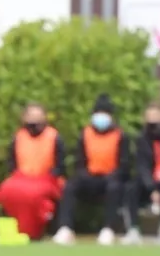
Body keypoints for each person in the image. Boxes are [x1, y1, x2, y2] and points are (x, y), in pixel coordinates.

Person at [52, 95, 131, 245]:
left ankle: (108, 229)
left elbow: (125, 164)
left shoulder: (120, 135)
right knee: (70, 186)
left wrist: (114, 175)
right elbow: (79, 161)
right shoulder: (85, 134)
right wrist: (83, 174)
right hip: (89, 177)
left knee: (114, 188)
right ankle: (65, 228)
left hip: (111, 178)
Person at [0, 102, 66, 240]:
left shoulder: (54, 137)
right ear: (24, 118)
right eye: (31, 116)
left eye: (38, 116)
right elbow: (12, 163)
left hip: (47, 179)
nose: (34, 120)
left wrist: (49, 175)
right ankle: (13, 228)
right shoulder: (18, 137)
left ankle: (33, 230)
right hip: (21, 178)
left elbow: (60, 165)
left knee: (34, 195)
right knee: (7, 189)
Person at [122, 103, 160, 245]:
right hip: (150, 180)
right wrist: (152, 188)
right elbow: (142, 165)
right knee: (132, 189)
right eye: (149, 118)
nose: (153, 121)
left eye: (156, 117)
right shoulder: (142, 138)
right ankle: (133, 230)